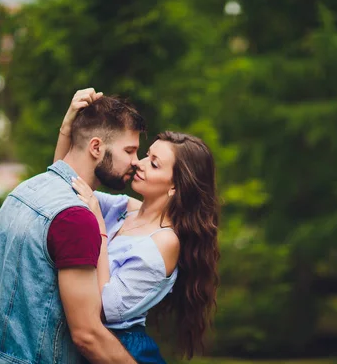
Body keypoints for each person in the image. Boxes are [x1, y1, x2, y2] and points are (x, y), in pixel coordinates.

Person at [0, 89, 145, 364]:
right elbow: (87, 334)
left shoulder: (26, 190)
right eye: (129, 150)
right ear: (96, 147)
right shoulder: (75, 218)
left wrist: (66, 128)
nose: (136, 161)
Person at [55, 93, 221, 363]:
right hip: (88, 345)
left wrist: (98, 227)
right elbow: (66, 185)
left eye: (153, 164)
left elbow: (107, 309)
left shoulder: (165, 242)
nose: (137, 163)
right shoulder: (123, 209)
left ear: (175, 187)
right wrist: (68, 126)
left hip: (122, 350)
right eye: (146, 155)